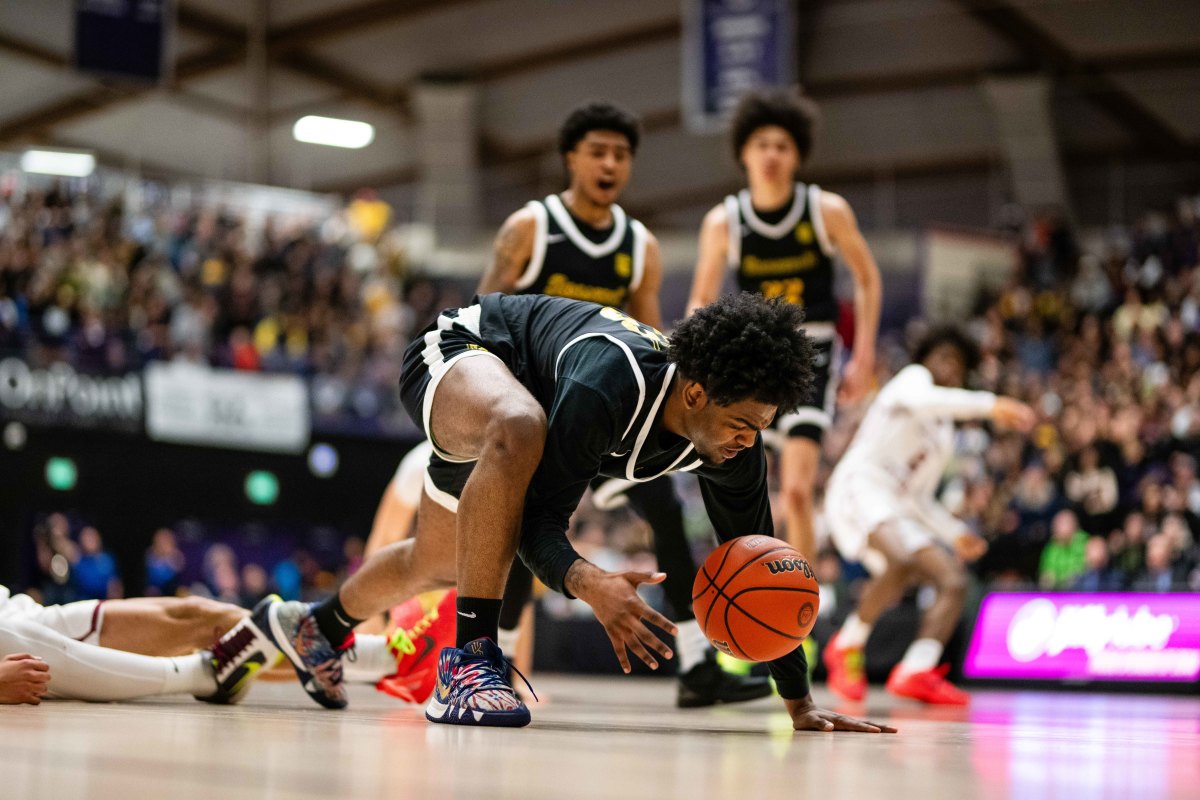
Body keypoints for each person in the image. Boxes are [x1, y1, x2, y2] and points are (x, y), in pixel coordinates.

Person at [259, 291, 895, 735]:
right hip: (464, 353)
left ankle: (319, 628)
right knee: (518, 424)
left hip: (519, 421)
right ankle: (468, 664)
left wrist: (799, 700)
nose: (749, 441)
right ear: (696, 393)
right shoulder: (614, 383)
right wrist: (589, 581)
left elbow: (768, 568)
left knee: (439, 559)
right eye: (741, 423)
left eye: (762, 426)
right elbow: (536, 523)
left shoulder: (733, 451)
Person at [476, 100, 768, 707]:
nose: (610, 163)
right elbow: (486, 326)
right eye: (598, 152)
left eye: (621, 154)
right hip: (535, 410)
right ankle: (489, 663)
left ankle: (695, 667)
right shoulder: (532, 227)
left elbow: (663, 346)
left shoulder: (639, 245)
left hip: (609, 413)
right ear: (571, 159)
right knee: (526, 526)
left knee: (664, 510)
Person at [687, 88, 882, 561]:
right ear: (744, 155)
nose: (771, 154)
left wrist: (864, 354)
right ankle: (752, 595)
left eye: (782, 145)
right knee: (747, 488)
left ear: (797, 155)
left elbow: (867, 278)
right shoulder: (724, 221)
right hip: (754, 355)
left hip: (811, 349)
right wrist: (694, 363)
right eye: (761, 145)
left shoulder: (825, 209)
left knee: (796, 490)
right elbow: (700, 298)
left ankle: (803, 618)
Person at [822, 327, 1035, 705]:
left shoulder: (943, 431)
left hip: (895, 504)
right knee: (900, 558)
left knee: (953, 581)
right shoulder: (912, 381)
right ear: (928, 357)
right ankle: (848, 644)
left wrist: (953, 533)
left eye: (959, 363)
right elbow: (926, 400)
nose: (951, 367)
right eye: (945, 357)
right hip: (860, 486)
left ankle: (917, 668)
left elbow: (918, 496)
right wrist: (989, 404)